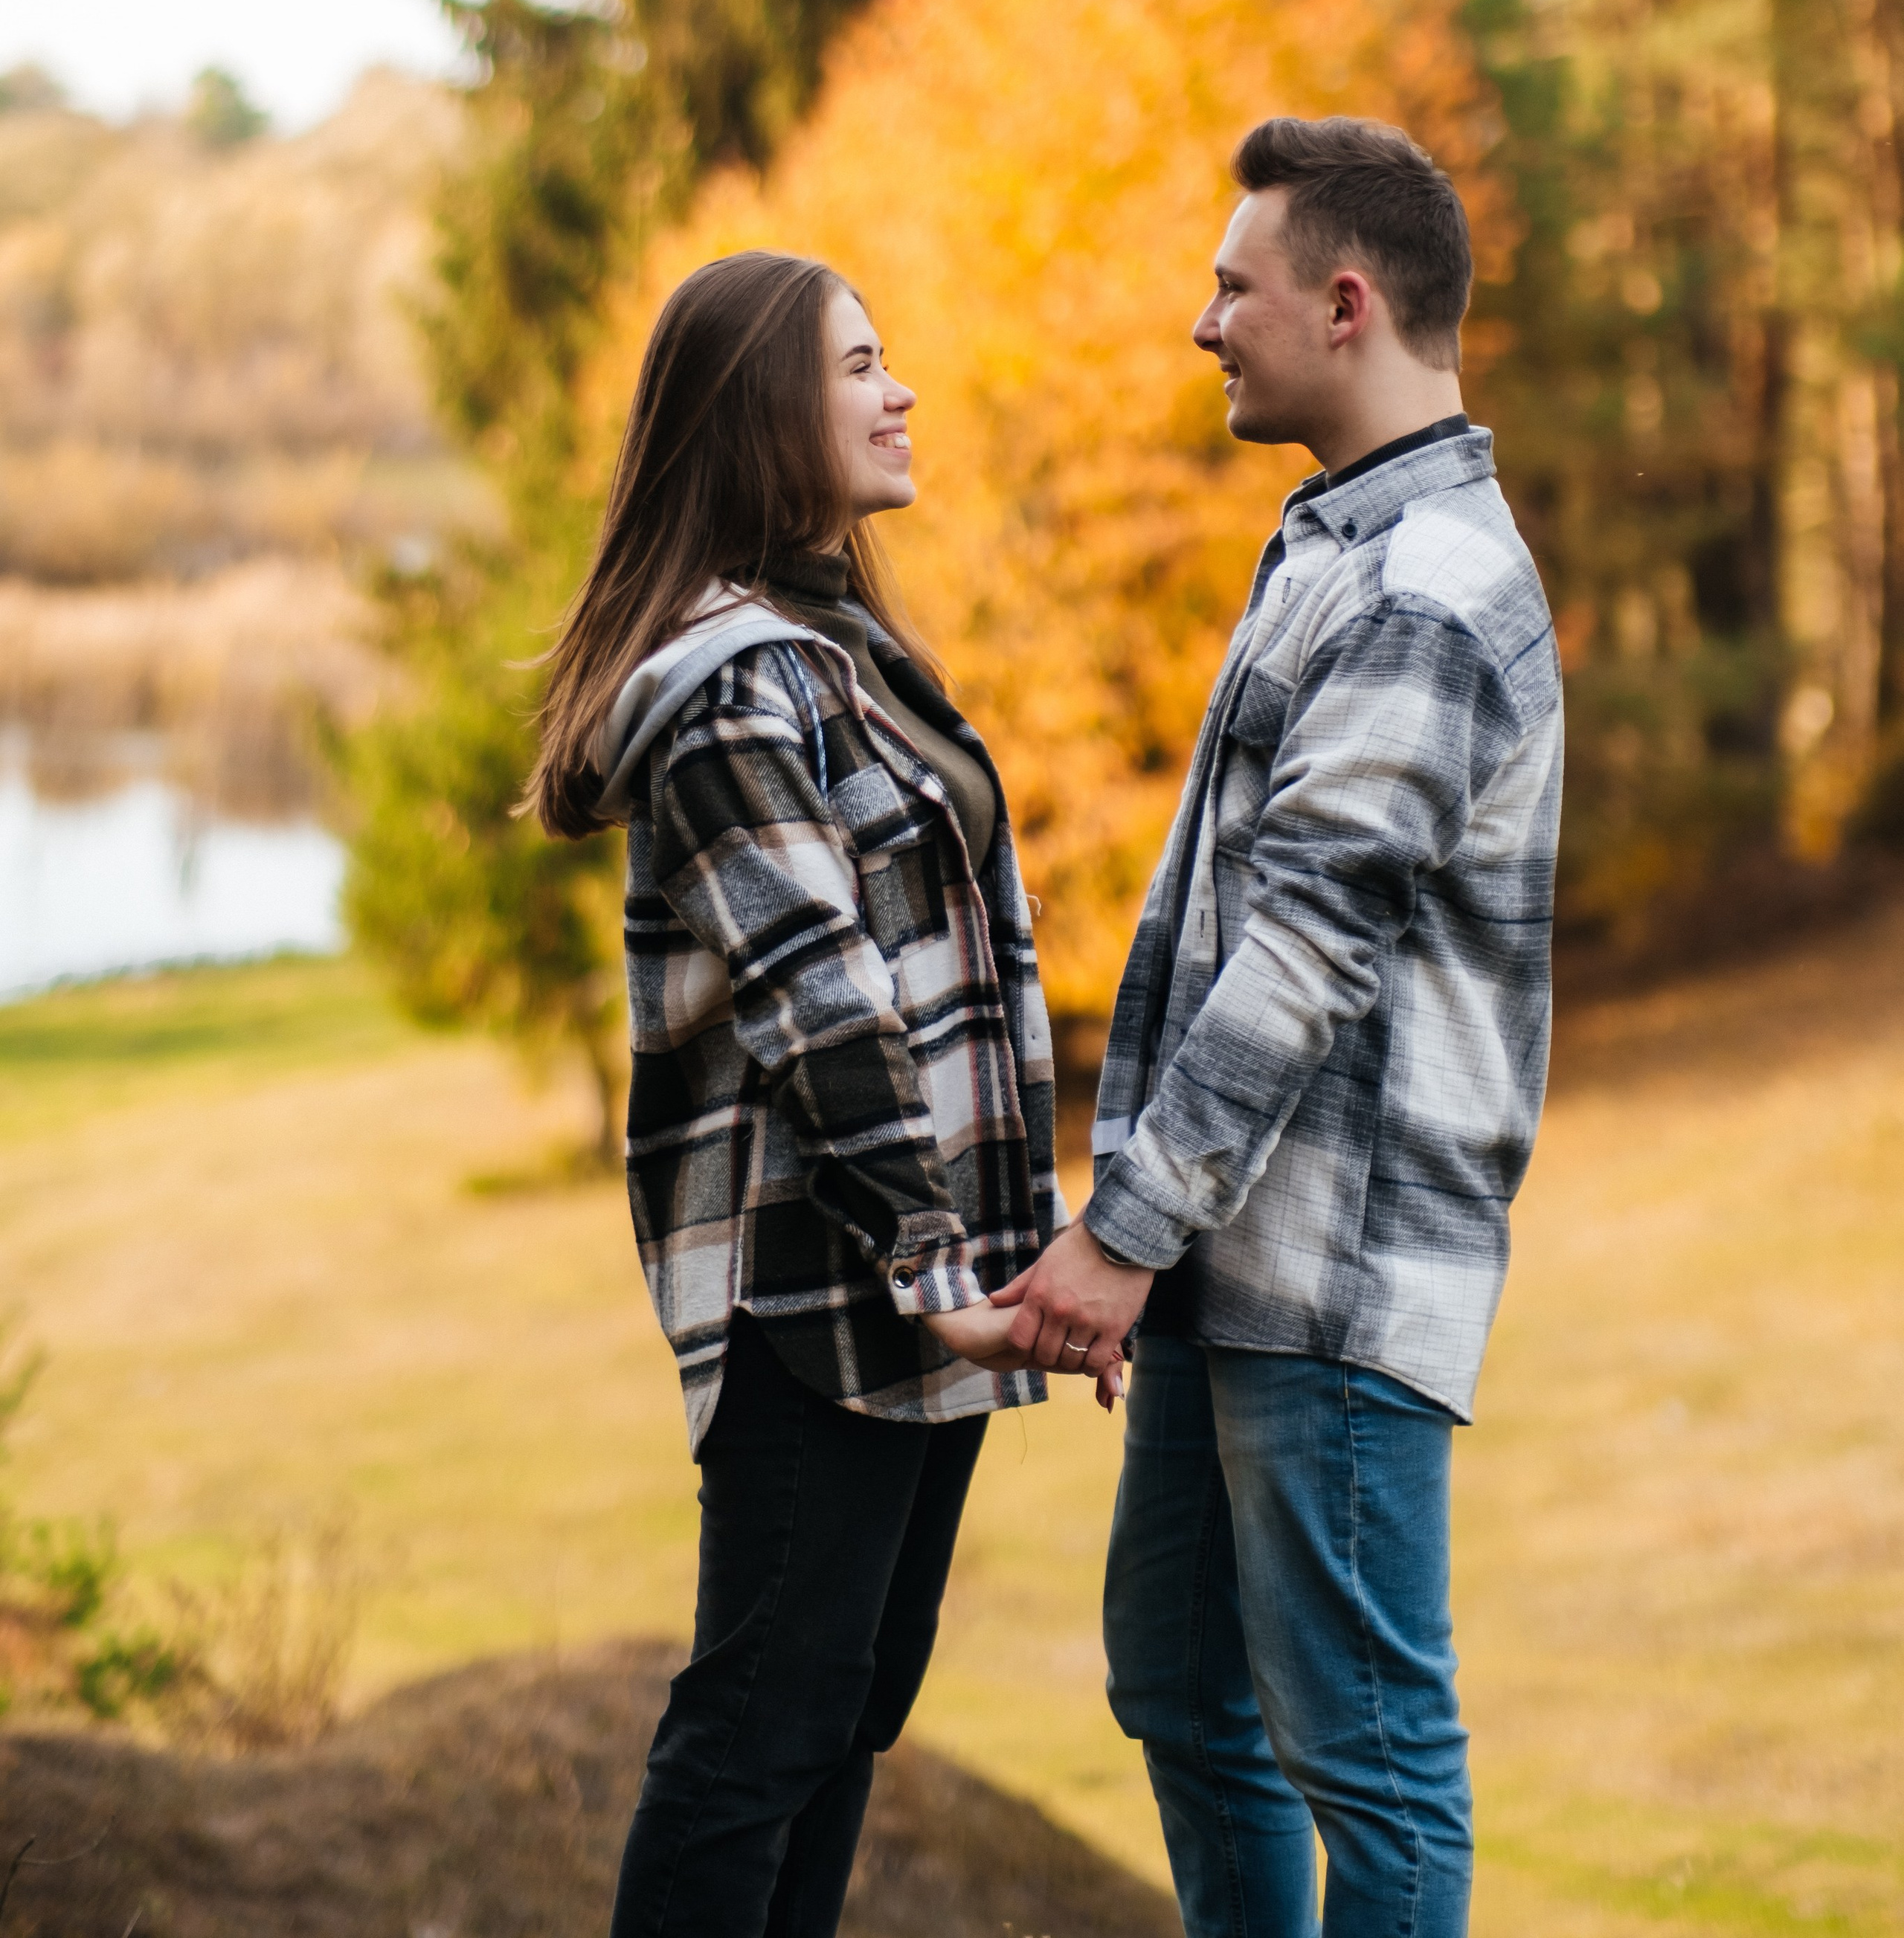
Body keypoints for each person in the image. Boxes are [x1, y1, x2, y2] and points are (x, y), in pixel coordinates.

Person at [994, 116, 1563, 1938]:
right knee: (1177, 1684)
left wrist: (1117, 1231)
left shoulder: (1428, 590)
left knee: (1371, 1761)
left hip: (1324, 1279)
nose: (1199, 322)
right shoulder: (1334, 547)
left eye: (1227, 287)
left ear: (1341, 303)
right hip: (1227, 1270)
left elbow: (1308, 949)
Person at [523, 248, 1070, 1938]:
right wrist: (931, 1263)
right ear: (761, 408)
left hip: (928, 1288)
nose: (898, 391)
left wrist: (998, 1262)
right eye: (856, 365)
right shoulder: (730, 686)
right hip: (822, 1289)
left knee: (843, 1716)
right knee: (759, 1730)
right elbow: (820, 999)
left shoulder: (839, 651)